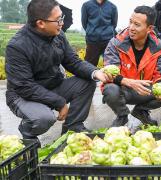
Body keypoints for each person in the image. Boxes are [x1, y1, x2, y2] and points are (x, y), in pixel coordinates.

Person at [5, 0, 111, 140]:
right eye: (58, 20)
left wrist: (96, 72)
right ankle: (28, 130)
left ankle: (72, 128)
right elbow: (25, 86)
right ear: (41, 23)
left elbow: (73, 61)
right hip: (22, 95)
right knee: (44, 118)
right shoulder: (17, 46)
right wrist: (59, 102)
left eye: (62, 18)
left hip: (51, 86)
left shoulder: (57, 35)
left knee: (87, 82)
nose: (62, 23)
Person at [102, 6, 161, 127]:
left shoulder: (159, 46)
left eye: (137, 24)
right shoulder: (116, 43)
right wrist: (129, 82)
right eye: (130, 22)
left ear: (149, 28)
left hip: (146, 90)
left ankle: (141, 111)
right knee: (110, 90)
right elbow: (110, 73)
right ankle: (122, 116)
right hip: (123, 89)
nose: (131, 27)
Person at [81, 0, 118, 66]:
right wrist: (91, 32)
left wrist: (107, 33)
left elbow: (114, 24)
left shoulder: (113, 7)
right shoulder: (86, 5)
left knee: (109, 66)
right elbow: (84, 23)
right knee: (89, 66)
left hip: (108, 41)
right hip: (92, 41)